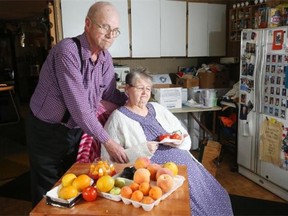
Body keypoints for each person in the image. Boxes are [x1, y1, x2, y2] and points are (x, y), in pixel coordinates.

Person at [25, 1, 128, 207]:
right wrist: (109, 142)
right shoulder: (67, 51)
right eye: (105, 27)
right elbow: (80, 108)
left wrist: (135, 100)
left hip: (76, 131)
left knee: (73, 183)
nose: (110, 35)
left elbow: (109, 93)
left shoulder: (105, 59)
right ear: (87, 24)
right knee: (47, 188)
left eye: (115, 30)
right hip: (46, 130)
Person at [101, 69, 233, 216]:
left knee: (217, 195)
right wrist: (142, 149)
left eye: (148, 89)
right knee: (188, 207)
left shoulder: (157, 108)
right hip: (155, 173)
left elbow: (182, 133)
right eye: (140, 88)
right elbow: (108, 159)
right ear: (127, 89)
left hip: (185, 165)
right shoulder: (118, 118)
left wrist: (179, 140)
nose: (144, 93)